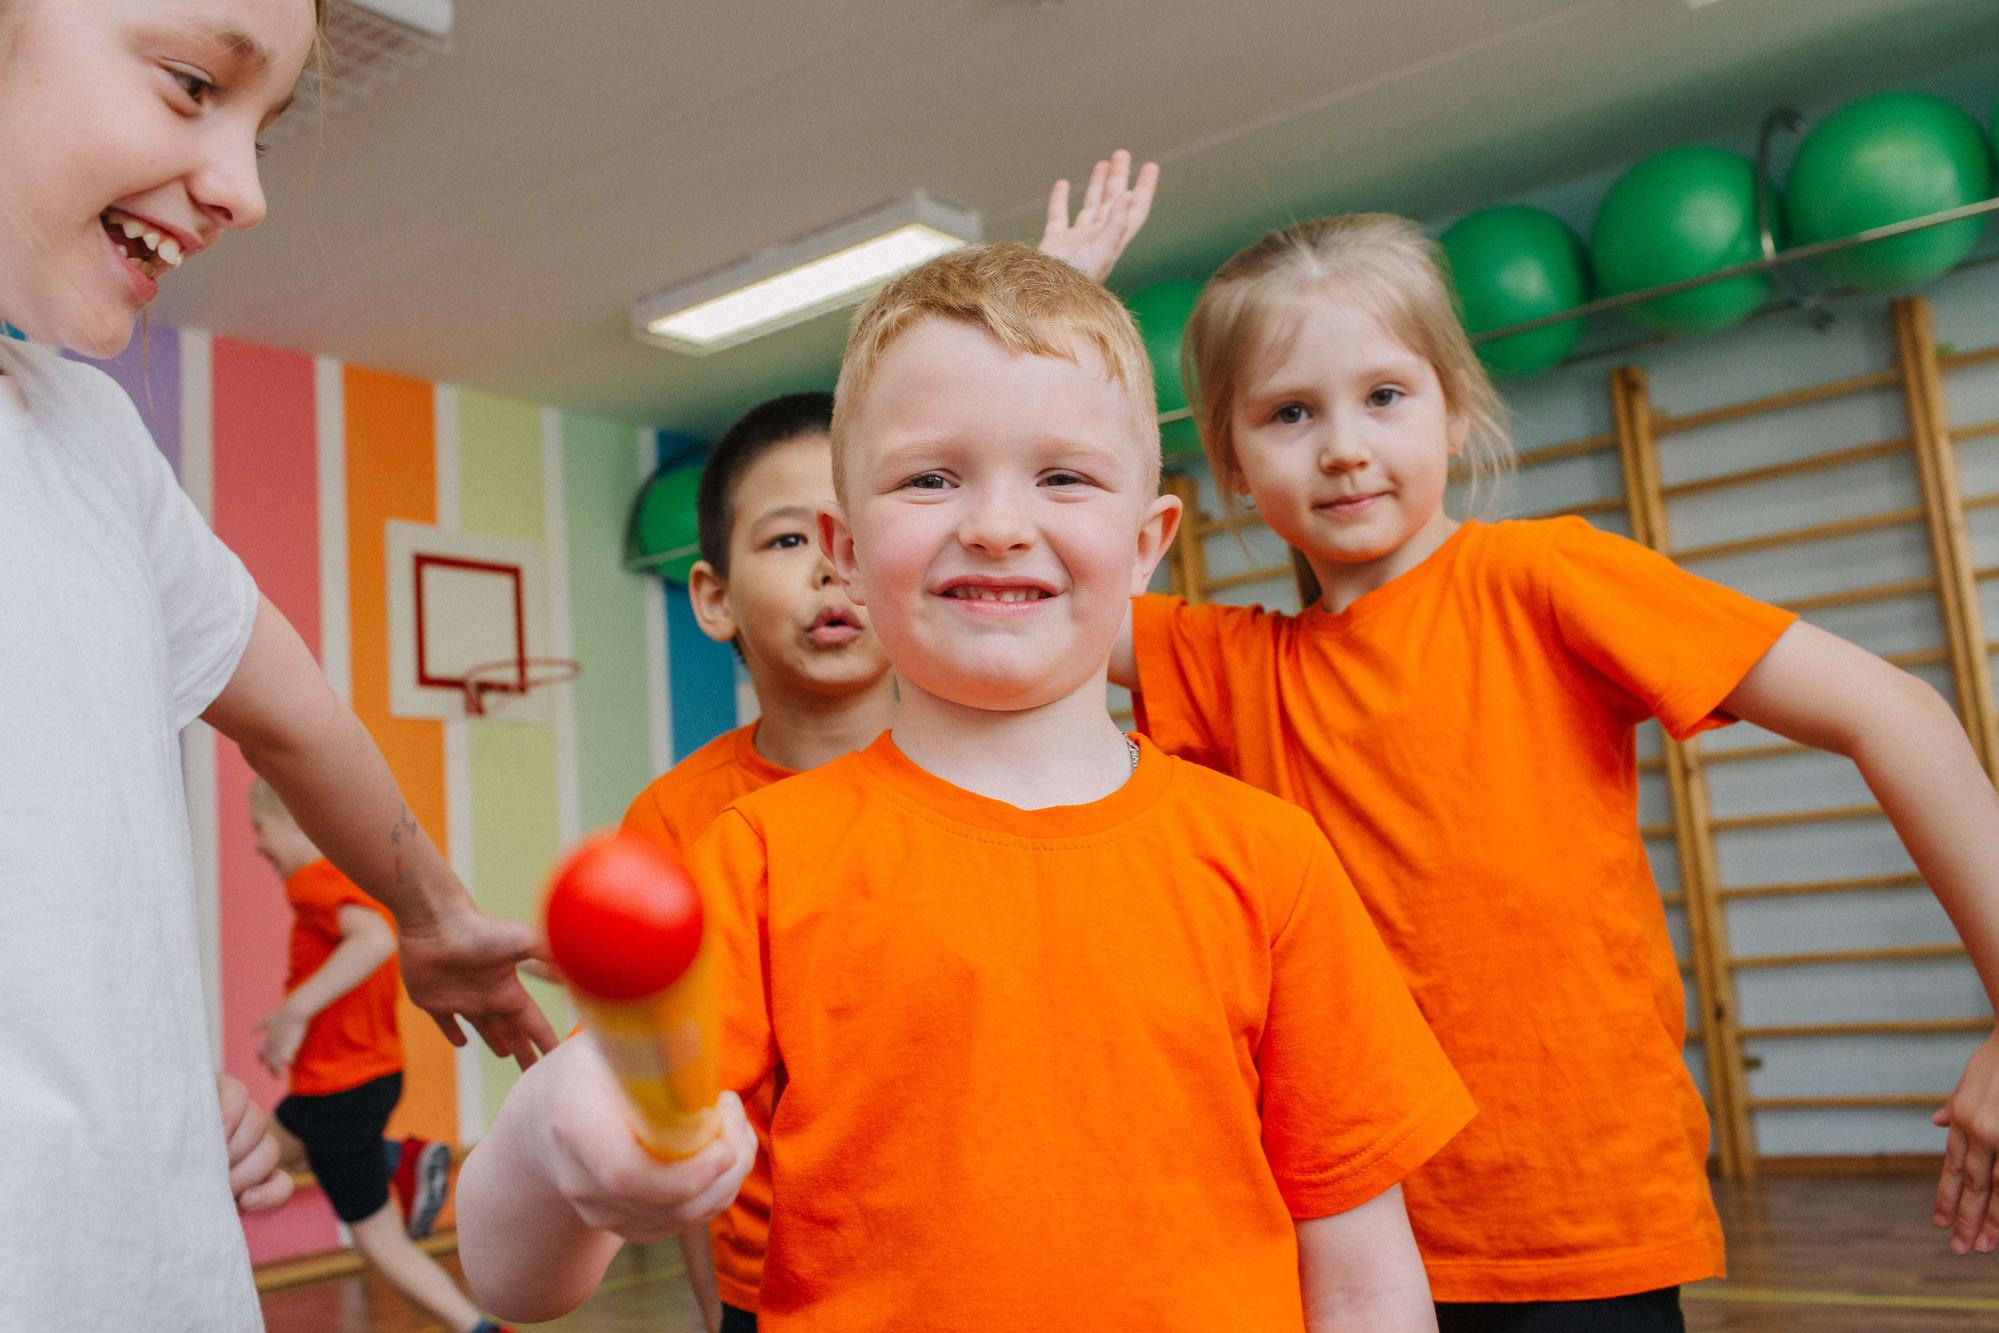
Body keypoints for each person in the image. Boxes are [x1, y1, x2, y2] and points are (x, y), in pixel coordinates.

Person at [460, 241, 1475, 1331]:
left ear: (1146, 543)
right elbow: (516, 1278)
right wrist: (556, 1137)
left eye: (1063, 475)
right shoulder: (759, 858)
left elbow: (1364, 1268)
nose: (996, 522)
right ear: (845, 551)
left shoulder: (1272, 859)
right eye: (930, 477)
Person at [1110, 212, 1999, 1331]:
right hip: (1352, 1237)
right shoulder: (1228, 661)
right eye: (1290, 412)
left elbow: (1898, 712)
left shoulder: (1544, 578)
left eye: (1385, 395)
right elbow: (1038, 591)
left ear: (1456, 406)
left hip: (1580, 1226)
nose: (1342, 444)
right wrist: (1053, 325)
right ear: (1230, 465)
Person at [0, 2, 553, 1323]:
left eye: (263, 126)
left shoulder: (90, 445)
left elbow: (297, 714)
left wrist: (425, 906)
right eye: (194, 84)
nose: (244, 191)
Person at [619, 155, 1159, 1333]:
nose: (823, 572)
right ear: (711, 595)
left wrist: (1035, 318)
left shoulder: (1053, 780)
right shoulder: (703, 831)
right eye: (786, 544)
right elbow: (673, 1119)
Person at [248, 781, 509, 1333]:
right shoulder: (345, 879)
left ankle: (479, 1329)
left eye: (261, 830)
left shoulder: (312, 881)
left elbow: (374, 941)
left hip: (338, 1092)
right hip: (350, 1085)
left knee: (380, 1243)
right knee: (247, 1161)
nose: (258, 846)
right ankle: (397, 1159)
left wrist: (294, 1011)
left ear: (295, 824)